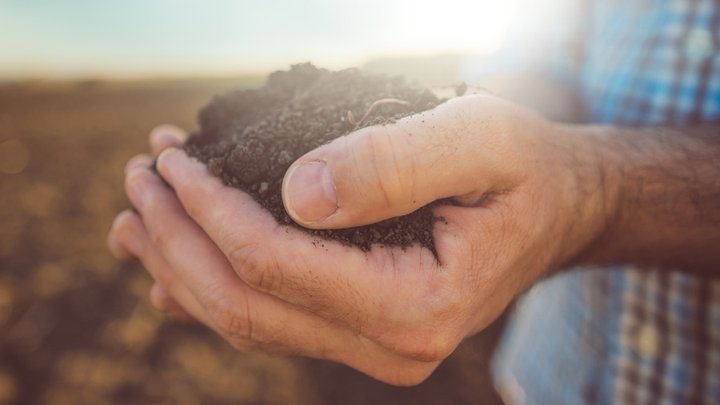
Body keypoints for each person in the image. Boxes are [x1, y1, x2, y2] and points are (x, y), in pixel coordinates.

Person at [109, 0, 720, 403]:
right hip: (549, 381)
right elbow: (542, 71)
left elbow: (586, 183)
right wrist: (460, 132)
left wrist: (596, 192)